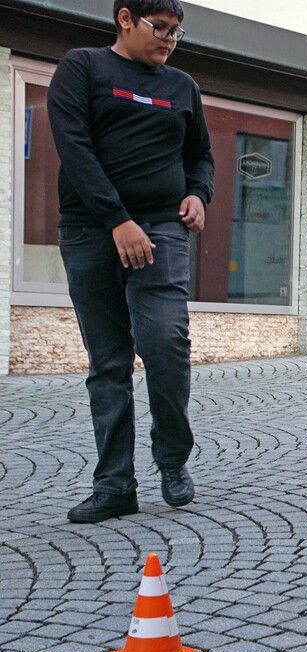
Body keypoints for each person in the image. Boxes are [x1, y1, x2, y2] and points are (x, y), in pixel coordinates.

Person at [48, 0, 212, 524]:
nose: (168, 39)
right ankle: (114, 484)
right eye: (158, 28)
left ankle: (172, 460)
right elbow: (74, 147)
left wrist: (199, 193)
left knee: (165, 344)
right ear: (124, 18)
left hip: (162, 228)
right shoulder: (83, 67)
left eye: (175, 32)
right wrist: (118, 219)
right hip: (92, 229)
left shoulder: (182, 86)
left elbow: (200, 154)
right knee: (109, 361)